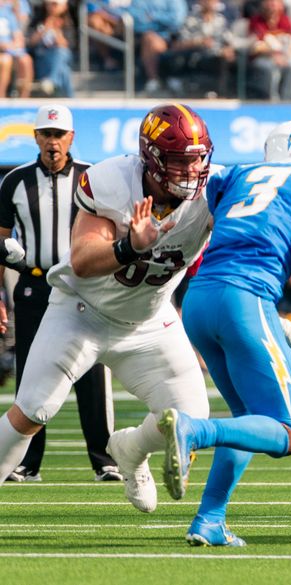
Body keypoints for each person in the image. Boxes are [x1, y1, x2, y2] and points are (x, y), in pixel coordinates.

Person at [0, 103, 215, 516]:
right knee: (33, 409)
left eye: (196, 159)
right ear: (151, 160)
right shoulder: (113, 181)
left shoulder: (214, 191)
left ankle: (130, 449)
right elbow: (82, 258)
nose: (190, 172)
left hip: (149, 321)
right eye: (177, 161)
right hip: (82, 313)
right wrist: (129, 246)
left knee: (193, 417)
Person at [155, 120, 291, 546]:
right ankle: (196, 431)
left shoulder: (236, 175)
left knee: (249, 419)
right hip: (245, 298)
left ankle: (209, 520)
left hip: (201, 300)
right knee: (285, 432)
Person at [0, 105, 120, 483]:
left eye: (59, 134)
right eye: (46, 134)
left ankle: (105, 459)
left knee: (93, 371)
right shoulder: (15, 181)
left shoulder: (91, 177)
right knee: (31, 372)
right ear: (35, 136)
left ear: (71, 137)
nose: (53, 142)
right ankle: (27, 462)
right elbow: (0, 241)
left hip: (84, 284)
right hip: (34, 284)